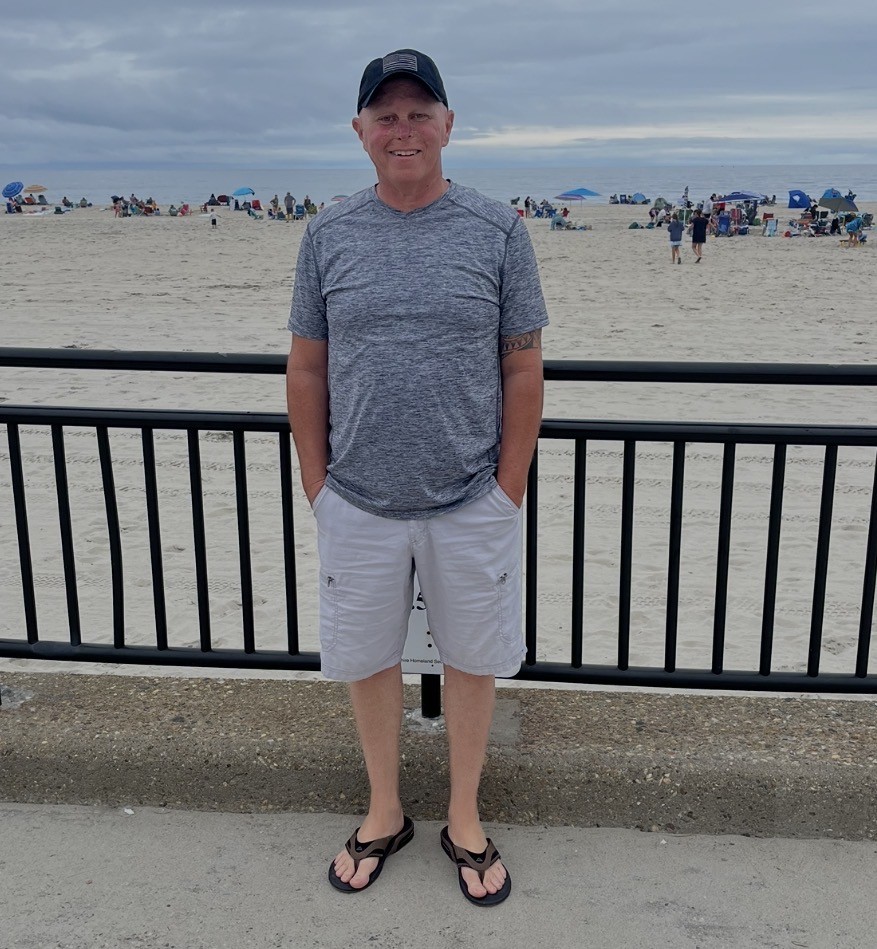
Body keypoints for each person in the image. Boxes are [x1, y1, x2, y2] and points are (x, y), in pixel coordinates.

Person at [287, 48, 547, 907]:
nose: (403, 130)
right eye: (386, 115)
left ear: (447, 125)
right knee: (366, 660)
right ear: (360, 130)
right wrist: (317, 485)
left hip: (471, 497)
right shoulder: (327, 233)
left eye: (418, 113)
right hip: (357, 498)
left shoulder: (497, 230)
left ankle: (463, 815)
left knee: (472, 659)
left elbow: (522, 366)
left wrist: (507, 488)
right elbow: (307, 366)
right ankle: (384, 808)